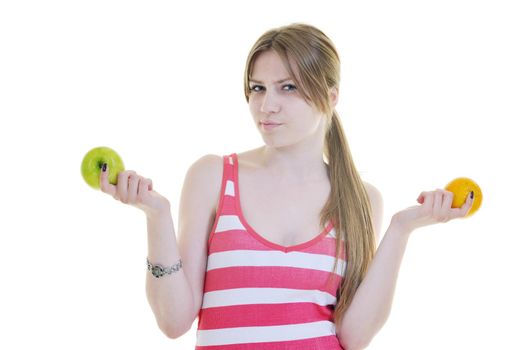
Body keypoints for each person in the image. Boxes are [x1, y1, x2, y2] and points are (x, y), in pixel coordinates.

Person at [99, 23, 474, 350]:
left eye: (288, 87)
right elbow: (174, 322)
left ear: (330, 97)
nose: (266, 106)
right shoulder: (213, 176)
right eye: (258, 88)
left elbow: (354, 336)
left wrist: (401, 228)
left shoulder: (360, 198)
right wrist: (156, 215)